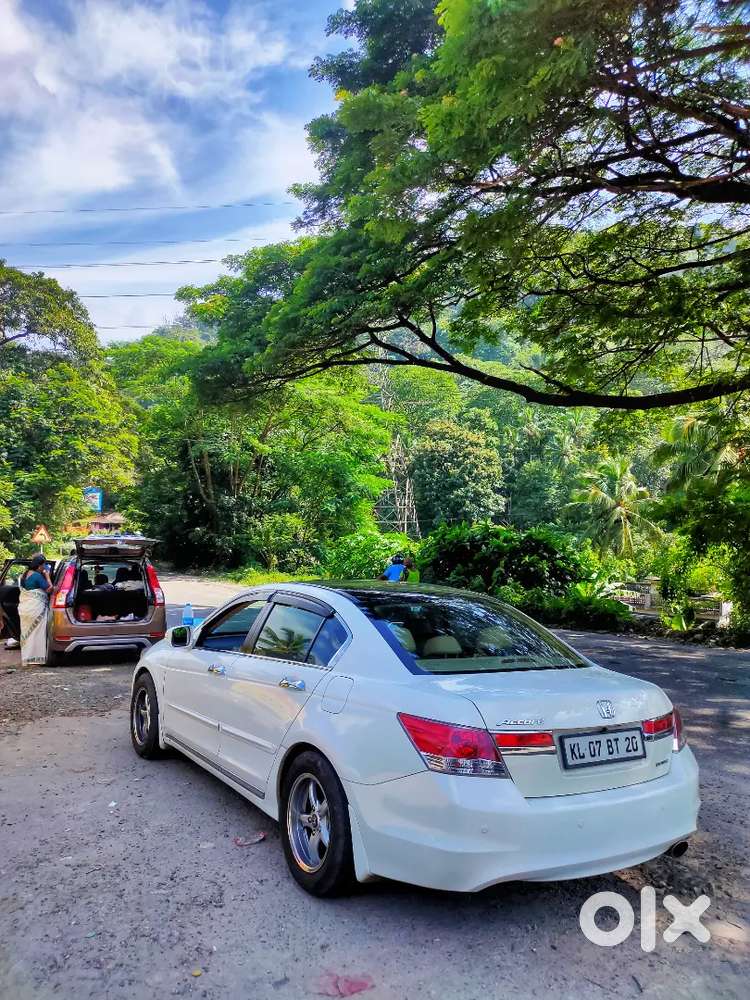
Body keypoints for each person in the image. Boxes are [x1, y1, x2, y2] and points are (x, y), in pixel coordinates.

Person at [18, 554, 53, 666]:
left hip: (25, 608)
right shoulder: (38, 576)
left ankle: (27, 658)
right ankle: (37, 658)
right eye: (44, 566)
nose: (45, 568)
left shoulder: (24, 575)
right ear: (39, 566)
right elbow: (49, 589)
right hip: (36, 609)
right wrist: (47, 577)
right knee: (38, 633)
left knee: (26, 634)